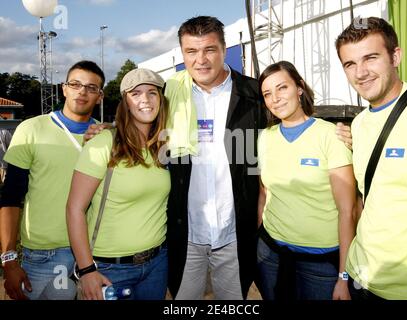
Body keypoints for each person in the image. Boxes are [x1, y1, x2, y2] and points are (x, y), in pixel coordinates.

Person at [162, 16, 268, 300]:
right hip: (186, 232)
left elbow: (288, 131)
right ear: (182, 54)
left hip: (235, 232)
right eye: (191, 52)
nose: (201, 60)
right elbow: (136, 131)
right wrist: (104, 130)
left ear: (224, 48)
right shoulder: (169, 95)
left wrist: (340, 132)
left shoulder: (255, 94)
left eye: (209, 49)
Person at [335, 17, 407, 300]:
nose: (360, 73)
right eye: (350, 64)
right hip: (362, 277)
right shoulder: (359, 124)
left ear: (395, 56)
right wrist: (345, 276)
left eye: (370, 58)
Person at [0, 60, 105, 300]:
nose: (82, 91)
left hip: (95, 250)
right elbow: (11, 196)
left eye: (91, 87)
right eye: (75, 84)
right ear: (64, 88)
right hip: (43, 255)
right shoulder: (32, 129)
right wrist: (9, 258)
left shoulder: (106, 135)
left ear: (100, 96)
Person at [256, 61, 357, 300]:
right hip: (271, 255)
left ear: (299, 88)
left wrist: (344, 277)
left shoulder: (330, 136)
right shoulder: (265, 138)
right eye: (267, 94)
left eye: (282, 88)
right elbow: (264, 192)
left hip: (320, 264)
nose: (275, 98)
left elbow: (348, 211)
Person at [66, 68, 169, 300]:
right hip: (111, 269)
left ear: (161, 100)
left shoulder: (163, 147)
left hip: (157, 264)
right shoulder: (103, 143)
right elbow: (75, 209)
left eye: (152, 93)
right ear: (125, 102)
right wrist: (87, 269)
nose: (145, 99)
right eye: (136, 93)